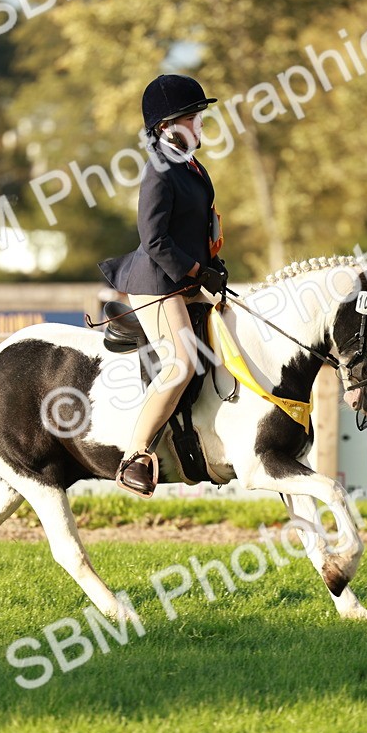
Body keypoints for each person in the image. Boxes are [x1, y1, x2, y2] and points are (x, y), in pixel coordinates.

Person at [98, 74, 228, 497]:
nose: (200, 124)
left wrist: (214, 265)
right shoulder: (159, 170)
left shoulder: (191, 165)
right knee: (182, 362)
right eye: (193, 117)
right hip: (157, 281)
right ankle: (135, 455)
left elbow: (196, 227)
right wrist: (196, 273)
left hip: (187, 276)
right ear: (167, 125)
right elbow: (154, 240)